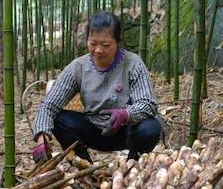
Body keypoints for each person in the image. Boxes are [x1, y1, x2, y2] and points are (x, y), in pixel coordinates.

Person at [33, 11, 162, 163]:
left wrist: (126, 114)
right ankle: (83, 165)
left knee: (150, 128)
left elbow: (148, 104)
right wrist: (42, 136)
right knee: (59, 119)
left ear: (118, 42)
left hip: (126, 130)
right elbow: (49, 105)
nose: (98, 50)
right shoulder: (78, 67)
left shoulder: (133, 64)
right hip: (93, 129)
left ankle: (133, 163)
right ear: (86, 40)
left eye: (105, 45)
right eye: (93, 44)